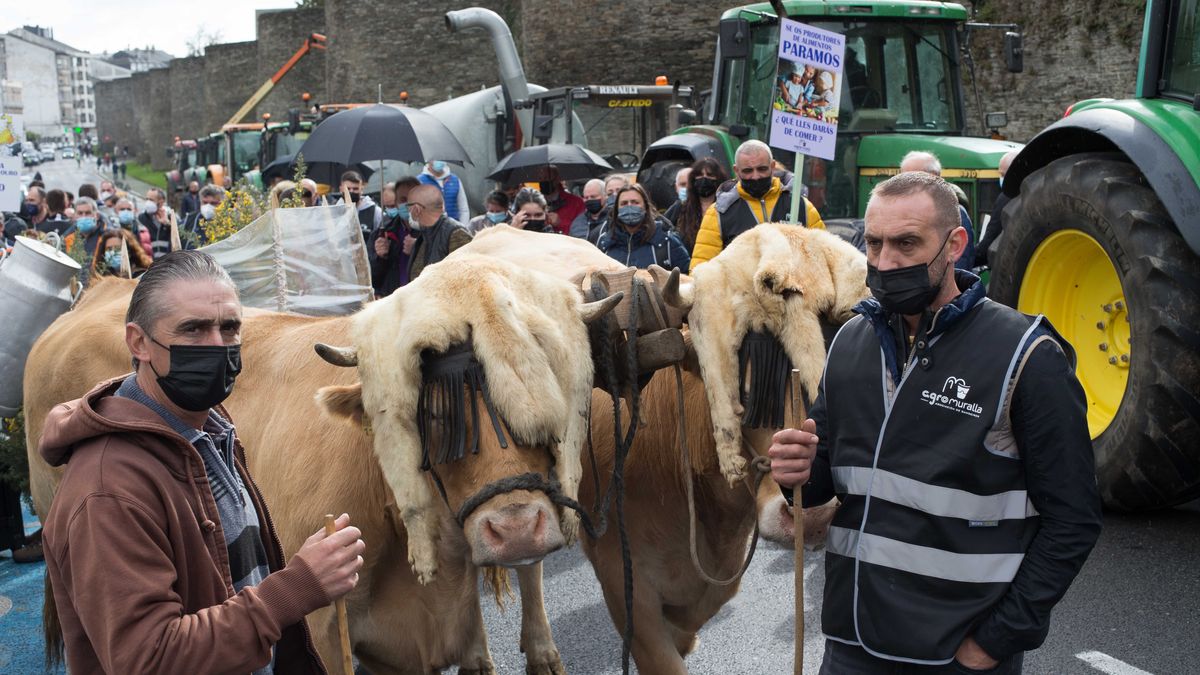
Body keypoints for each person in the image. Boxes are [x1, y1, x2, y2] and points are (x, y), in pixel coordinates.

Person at [768, 171, 1102, 674]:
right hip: (849, 645)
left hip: (956, 655)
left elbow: (1073, 521)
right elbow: (819, 485)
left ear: (955, 244)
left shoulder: (1027, 356)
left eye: (906, 244)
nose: (884, 262)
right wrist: (795, 468)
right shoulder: (850, 342)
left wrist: (997, 640)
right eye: (874, 243)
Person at [40, 250, 362, 674]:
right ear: (139, 343)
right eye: (193, 329)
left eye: (229, 328)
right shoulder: (108, 488)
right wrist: (296, 588)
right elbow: (149, 659)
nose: (217, 345)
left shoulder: (210, 432)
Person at [690, 140, 825, 269]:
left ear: (772, 166)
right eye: (748, 171)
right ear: (736, 170)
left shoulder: (800, 206)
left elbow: (825, 254)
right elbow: (701, 268)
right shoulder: (719, 212)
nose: (756, 176)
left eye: (762, 169)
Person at [900, 150, 976, 270]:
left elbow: (960, 266)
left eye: (911, 178)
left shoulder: (955, 212)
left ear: (934, 177)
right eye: (902, 178)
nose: (904, 184)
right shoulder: (901, 210)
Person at [596, 183, 689, 270]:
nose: (629, 207)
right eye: (624, 203)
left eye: (635, 202)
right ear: (617, 209)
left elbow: (685, 277)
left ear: (645, 207)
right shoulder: (605, 243)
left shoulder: (666, 241)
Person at [406, 184, 472, 282]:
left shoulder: (456, 233)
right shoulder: (425, 234)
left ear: (417, 209)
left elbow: (466, 278)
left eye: (408, 206)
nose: (408, 211)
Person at [368, 177, 419, 297]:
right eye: (403, 200)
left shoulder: (430, 231)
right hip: (392, 301)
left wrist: (418, 248)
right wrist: (380, 257)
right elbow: (371, 279)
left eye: (410, 199)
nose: (407, 204)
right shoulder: (381, 233)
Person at [669, 158, 728, 256]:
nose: (704, 179)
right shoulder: (681, 208)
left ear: (718, 179)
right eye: (699, 175)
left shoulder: (727, 208)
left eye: (709, 175)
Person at [976, 150, 1019, 267]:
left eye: (1003, 175)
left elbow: (992, 236)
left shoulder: (1006, 197)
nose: (1001, 178)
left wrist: (973, 256)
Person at [537, 166, 585, 236]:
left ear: (557, 179)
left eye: (547, 178)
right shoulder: (535, 203)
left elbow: (581, 230)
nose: (543, 181)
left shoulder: (576, 203)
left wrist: (560, 223)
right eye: (540, 179)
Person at [336, 170, 381, 238]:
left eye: (355, 189)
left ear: (362, 189)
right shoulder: (334, 211)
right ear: (341, 189)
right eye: (348, 189)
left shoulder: (375, 211)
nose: (351, 191)